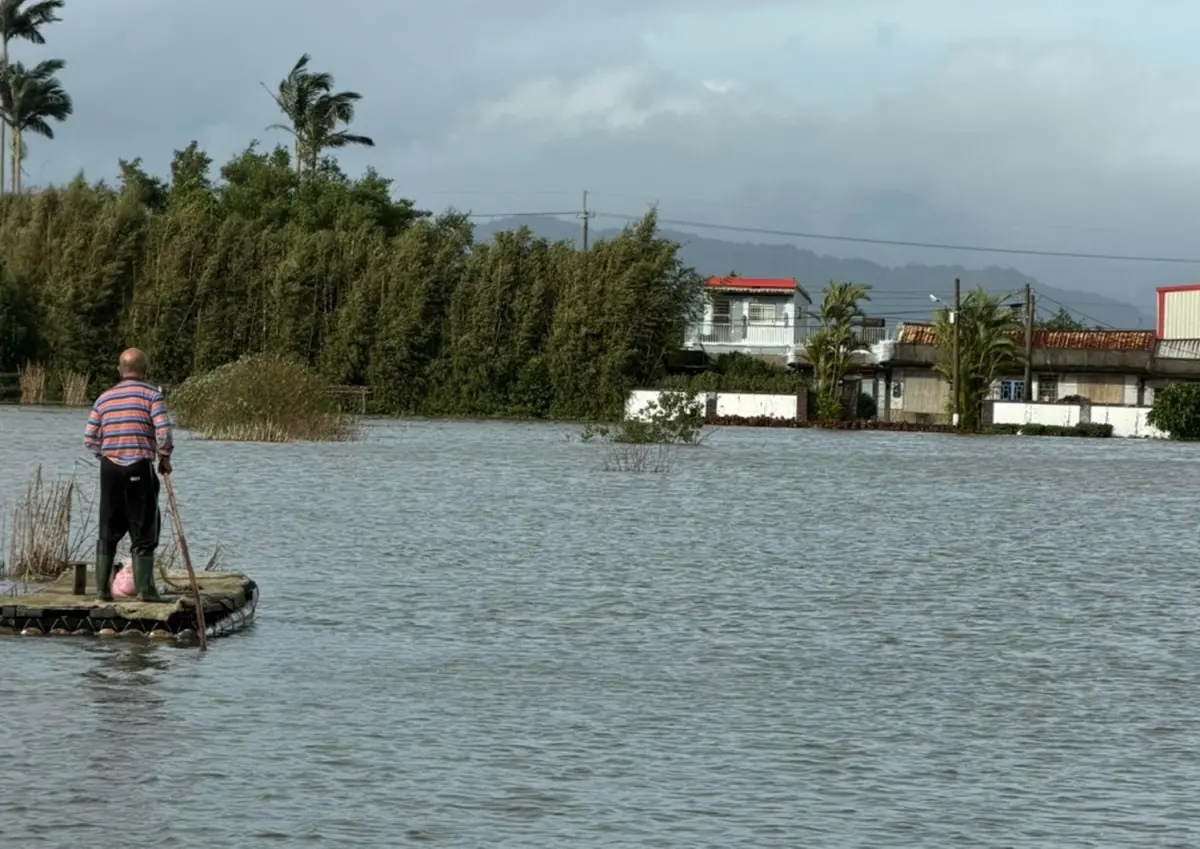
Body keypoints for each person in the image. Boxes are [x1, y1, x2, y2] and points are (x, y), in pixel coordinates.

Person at [83, 348, 174, 602]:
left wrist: (106, 456)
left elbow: (90, 438)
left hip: (109, 469)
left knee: (108, 527)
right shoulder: (152, 396)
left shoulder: (104, 398)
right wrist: (165, 457)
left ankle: (102, 592)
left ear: (119, 370)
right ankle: (145, 591)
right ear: (146, 370)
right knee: (144, 528)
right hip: (139, 467)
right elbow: (164, 432)